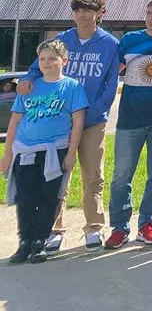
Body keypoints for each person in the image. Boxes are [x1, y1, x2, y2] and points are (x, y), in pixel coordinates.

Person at [18, 0, 119, 253]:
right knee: (58, 173)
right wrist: (27, 78)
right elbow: (37, 65)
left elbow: (110, 82)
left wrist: (96, 110)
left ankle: (94, 227)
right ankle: (53, 229)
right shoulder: (62, 40)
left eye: (88, 10)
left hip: (93, 121)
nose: (82, 14)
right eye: (78, 10)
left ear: (100, 13)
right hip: (60, 119)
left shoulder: (109, 43)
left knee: (93, 174)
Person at [2, 39, 88, 264]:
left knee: (49, 197)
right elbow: (14, 121)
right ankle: (25, 242)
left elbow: (77, 122)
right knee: (25, 198)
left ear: (64, 61)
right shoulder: (28, 87)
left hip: (54, 151)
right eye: (42, 59)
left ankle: (40, 241)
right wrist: (8, 154)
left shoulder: (72, 87)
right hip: (25, 150)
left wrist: (70, 153)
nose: (47, 63)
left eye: (52, 58)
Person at [104, 0, 152, 249]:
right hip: (129, 118)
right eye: (148, 13)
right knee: (121, 176)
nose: (151, 18)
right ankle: (119, 228)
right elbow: (110, 72)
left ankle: (147, 224)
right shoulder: (129, 40)